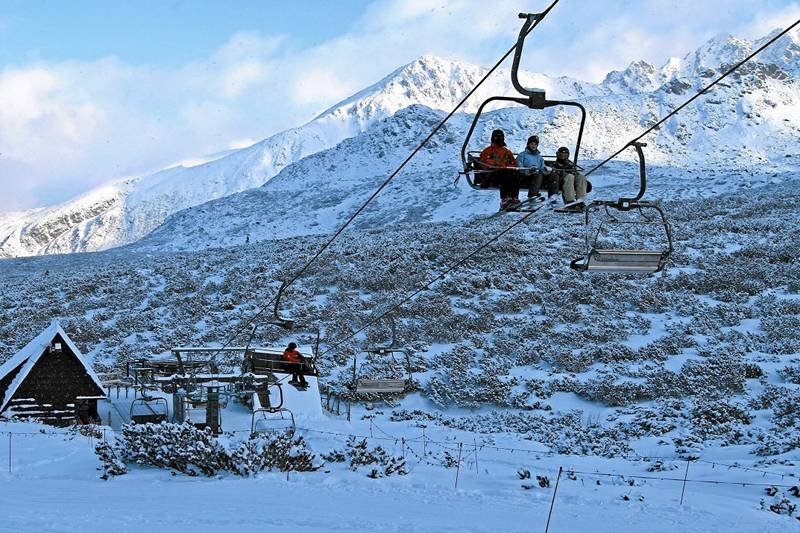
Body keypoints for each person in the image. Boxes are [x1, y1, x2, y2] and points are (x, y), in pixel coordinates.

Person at [479, 129, 519, 209]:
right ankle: (505, 198)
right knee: (504, 173)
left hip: (505, 173)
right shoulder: (487, 151)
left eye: (501, 137)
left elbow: (514, 163)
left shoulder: (507, 151)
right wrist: (494, 163)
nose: (499, 139)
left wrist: (508, 166)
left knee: (515, 174)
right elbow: (483, 164)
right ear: (493, 138)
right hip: (492, 175)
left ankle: (513, 197)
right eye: (497, 137)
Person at [516, 135, 557, 201]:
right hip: (526, 177)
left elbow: (542, 167)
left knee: (554, 176)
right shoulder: (522, 155)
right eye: (532, 144)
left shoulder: (539, 157)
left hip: (538, 176)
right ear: (528, 144)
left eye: (535, 144)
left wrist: (547, 170)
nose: (533, 146)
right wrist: (528, 171)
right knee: (537, 175)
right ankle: (533, 195)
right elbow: (519, 167)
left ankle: (552, 196)